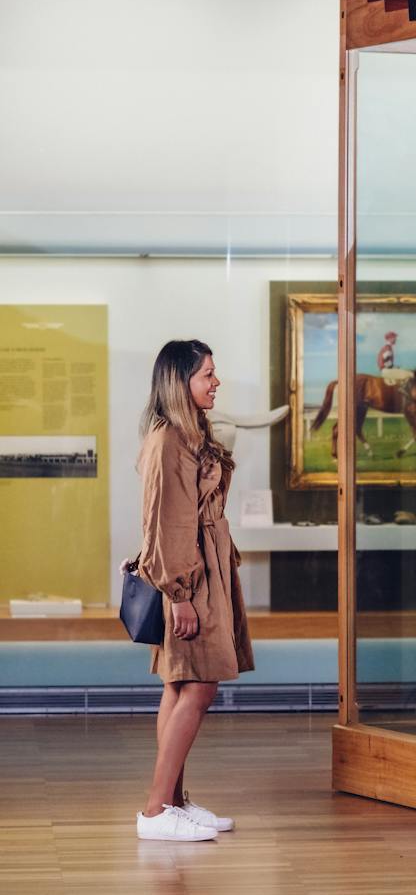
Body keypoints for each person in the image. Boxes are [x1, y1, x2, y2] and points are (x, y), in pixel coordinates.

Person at [132, 340, 254, 842]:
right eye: (207, 374)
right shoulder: (168, 441)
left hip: (206, 568)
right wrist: (178, 593)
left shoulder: (188, 435)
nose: (216, 381)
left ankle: (173, 803)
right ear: (181, 381)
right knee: (199, 685)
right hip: (191, 576)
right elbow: (166, 519)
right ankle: (156, 812)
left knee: (181, 685)